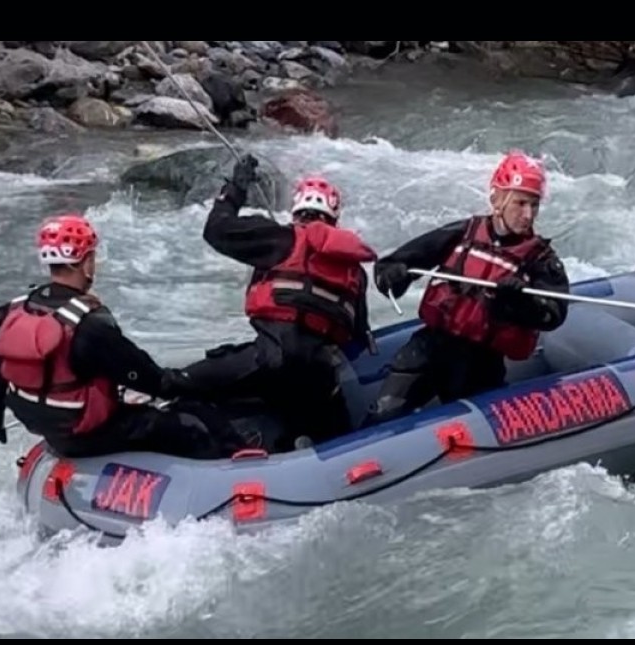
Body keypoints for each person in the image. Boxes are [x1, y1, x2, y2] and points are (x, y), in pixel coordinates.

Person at [0, 214, 259, 459]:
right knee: (191, 422)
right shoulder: (89, 325)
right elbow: (154, 380)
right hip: (90, 435)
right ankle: (240, 468)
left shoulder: (11, 312)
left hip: (48, 428)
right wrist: (197, 384)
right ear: (85, 261)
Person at [182, 154, 378, 451]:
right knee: (333, 433)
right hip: (319, 378)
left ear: (296, 210)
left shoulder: (279, 238)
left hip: (270, 361)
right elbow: (356, 335)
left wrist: (235, 188)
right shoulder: (355, 272)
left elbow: (217, 230)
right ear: (334, 218)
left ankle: (222, 446)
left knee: (179, 382)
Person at [363, 149, 571, 426]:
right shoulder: (464, 233)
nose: (528, 214)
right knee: (384, 414)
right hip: (431, 346)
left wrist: (518, 302)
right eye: (520, 203)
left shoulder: (540, 259)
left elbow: (554, 313)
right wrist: (393, 275)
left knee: (471, 420)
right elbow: (393, 264)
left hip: (480, 362)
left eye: (534, 205)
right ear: (498, 199)